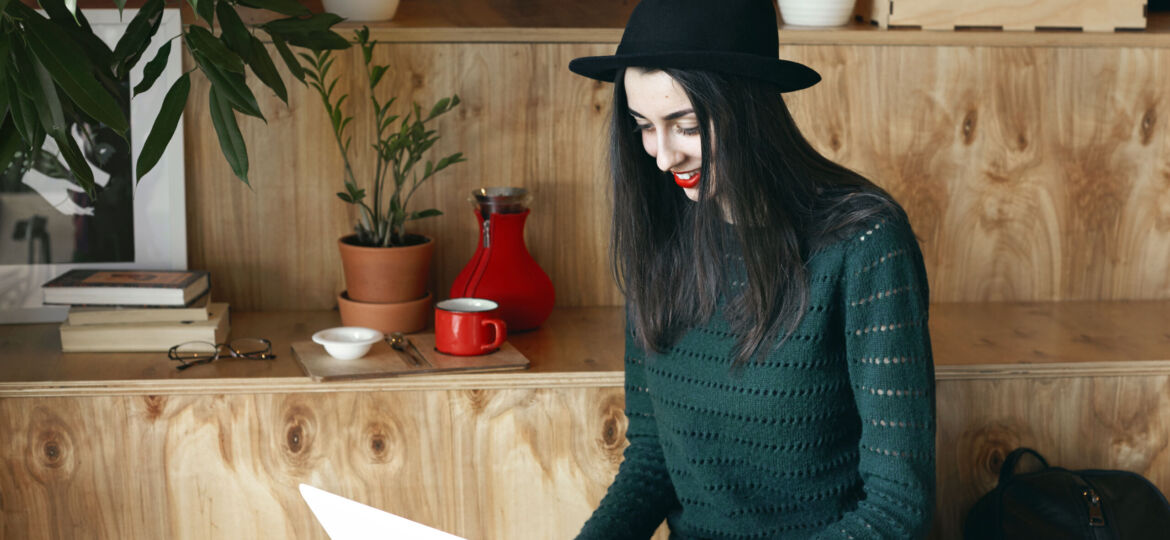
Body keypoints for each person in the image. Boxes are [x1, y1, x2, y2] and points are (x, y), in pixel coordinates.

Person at [567, 0, 936, 538]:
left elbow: (896, 507)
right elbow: (653, 458)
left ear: (749, 110)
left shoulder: (865, 243)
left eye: (687, 125)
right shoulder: (660, 232)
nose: (664, 156)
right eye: (644, 126)